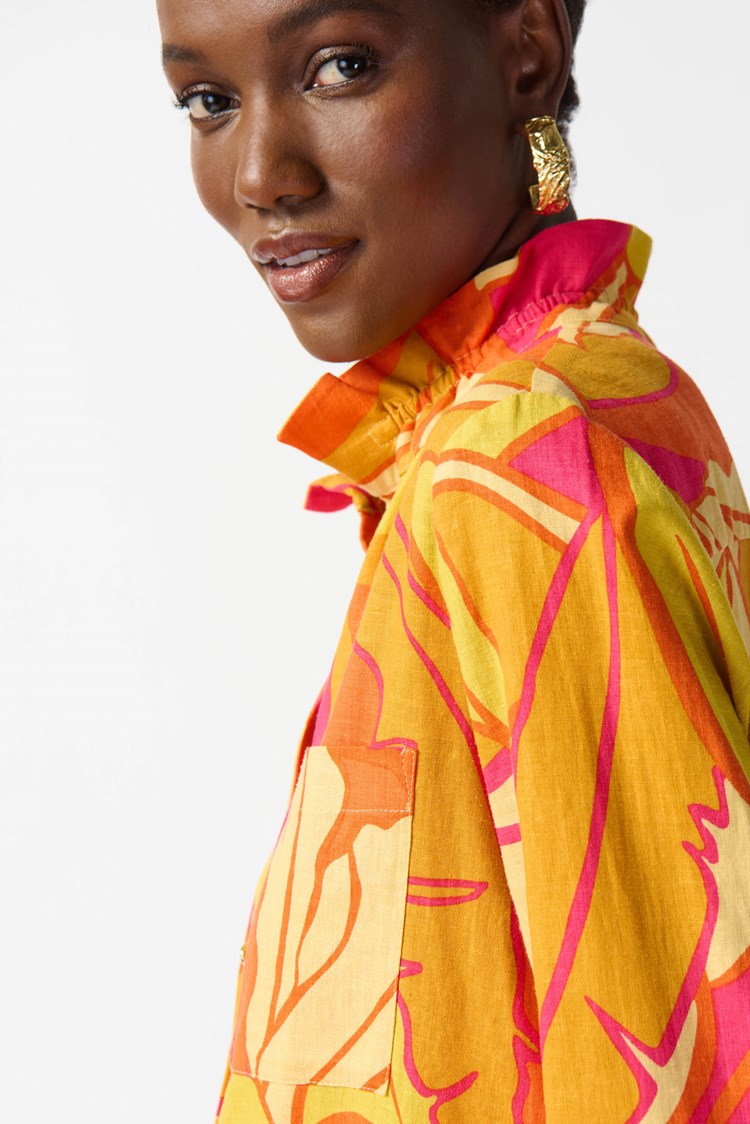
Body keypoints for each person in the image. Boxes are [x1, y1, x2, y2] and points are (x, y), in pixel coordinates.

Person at [156, 0, 750, 1119]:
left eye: (340, 66)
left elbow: (679, 1072)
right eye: (209, 99)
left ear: (527, 53)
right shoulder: (557, 407)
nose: (261, 176)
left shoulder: (520, 465)